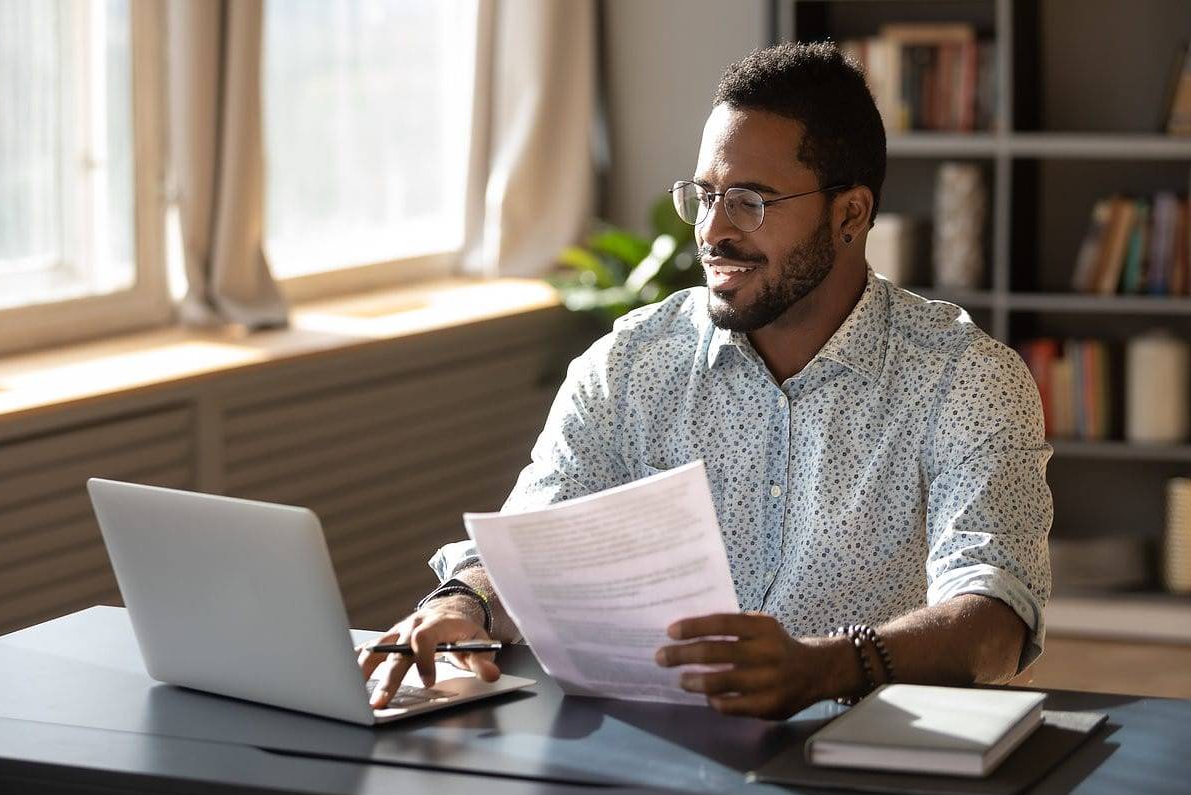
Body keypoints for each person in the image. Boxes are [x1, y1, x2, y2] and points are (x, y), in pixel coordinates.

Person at [358, 41, 1052, 720]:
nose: (713, 231)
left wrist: (827, 669)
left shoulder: (966, 379)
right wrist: (462, 602)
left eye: (750, 201)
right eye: (706, 194)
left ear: (849, 214)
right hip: (656, 750)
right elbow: (531, 545)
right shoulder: (632, 362)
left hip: (863, 756)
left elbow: (997, 616)